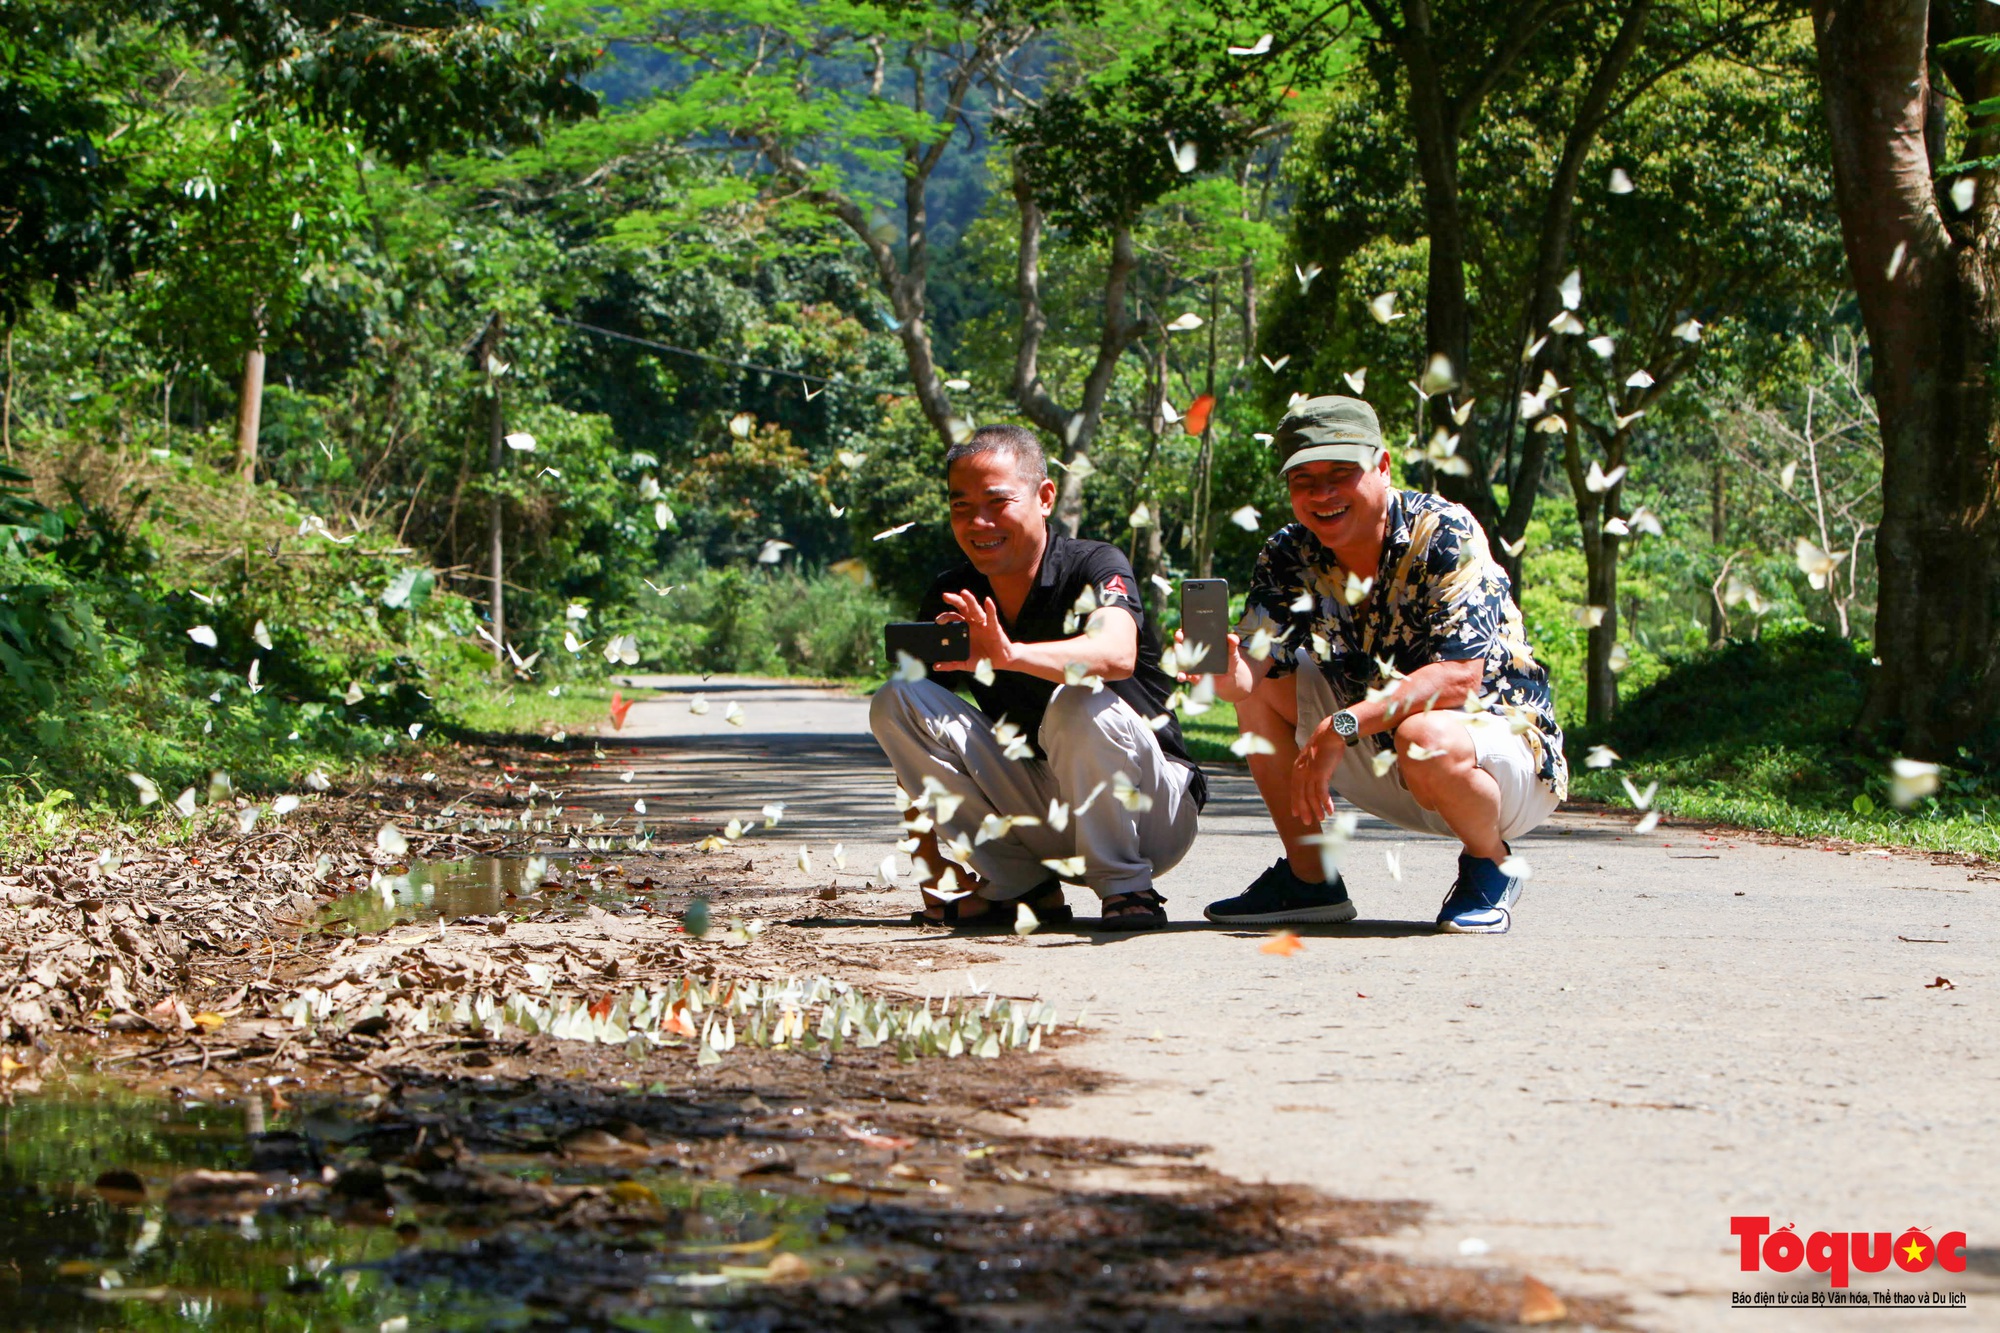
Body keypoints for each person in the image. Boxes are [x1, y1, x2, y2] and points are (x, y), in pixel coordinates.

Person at [1199, 395, 1567, 934]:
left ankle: (1491, 861)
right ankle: (1311, 879)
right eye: (1304, 480)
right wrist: (1222, 669)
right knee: (1262, 685)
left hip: (1498, 763)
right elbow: (1250, 676)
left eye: (1341, 473)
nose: (1322, 494)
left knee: (1424, 734)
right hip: (1381, 753)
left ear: (1383, 466)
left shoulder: (1444, 532)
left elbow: (1459, 677)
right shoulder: (1289, 552)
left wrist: (1342, 725)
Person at [869, 424, 1207, 931]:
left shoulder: (1094, 564)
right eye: (961, 506)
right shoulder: (954, 591)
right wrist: (929, 863)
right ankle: (1020, 887)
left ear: (1045, 497)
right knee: (896, 699)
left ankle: (1125, 885)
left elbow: (1116, 653)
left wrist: (1009, 654)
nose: (978, 522)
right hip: (1045, 814)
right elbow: (912, 744)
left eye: (996, 501)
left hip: (1149, 815)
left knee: (1078, 699)